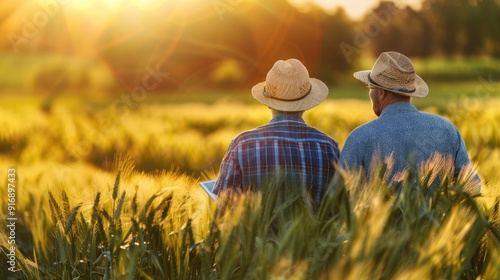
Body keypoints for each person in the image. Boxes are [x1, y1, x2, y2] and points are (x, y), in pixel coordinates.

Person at [339, 51, 480, 191]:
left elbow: (338, 195)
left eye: (370, 87)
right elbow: (472, 187)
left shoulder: (360, 138)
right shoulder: (447, 130)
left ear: (381, 93)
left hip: (379, 214)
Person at [213, 58, 340, 205]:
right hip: (313, 229)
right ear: (307, 104)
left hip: (255, 229)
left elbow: (222, 209)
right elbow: (337, 209)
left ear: (268, 104)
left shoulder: (242, 144)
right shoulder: (329, 147)